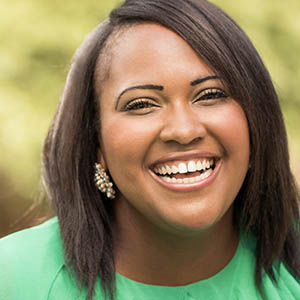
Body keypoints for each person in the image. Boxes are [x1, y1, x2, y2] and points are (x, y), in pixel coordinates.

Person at [1, 0, 299, 299]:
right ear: (96, 143)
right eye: (141, 104)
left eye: (210, 95)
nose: (183, 131)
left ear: (256, 120)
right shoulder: (14, 278)